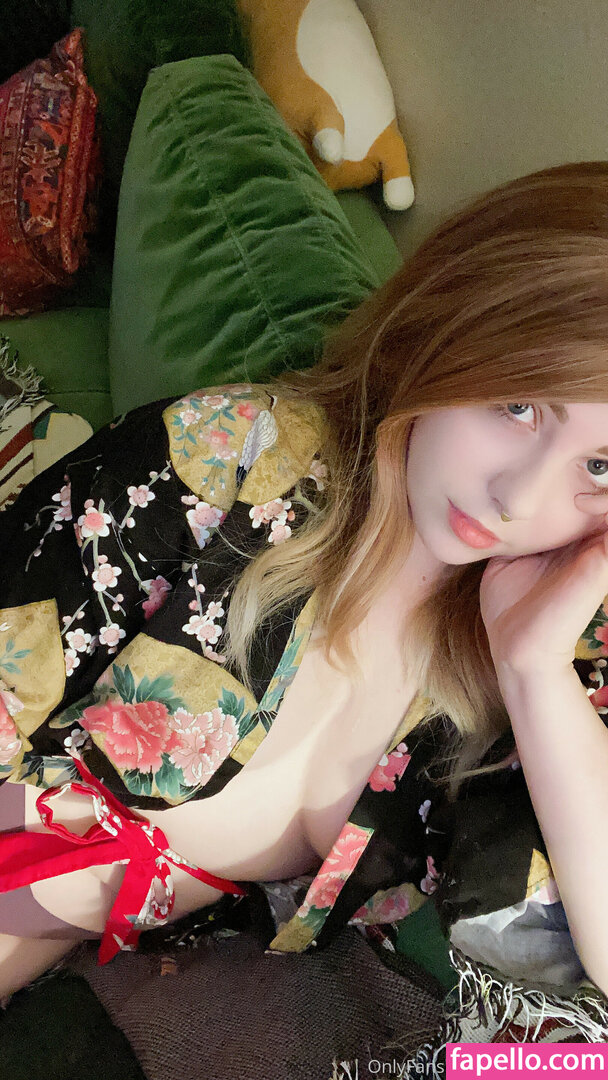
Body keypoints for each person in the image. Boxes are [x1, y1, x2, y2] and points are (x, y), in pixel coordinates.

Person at [2, 159, 608, 1011]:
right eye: (519, 404)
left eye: (600, 465)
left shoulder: (553, 649)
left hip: (135, 986)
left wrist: (534, 673)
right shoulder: (234, 455)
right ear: (444, 326)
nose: (521, 498)